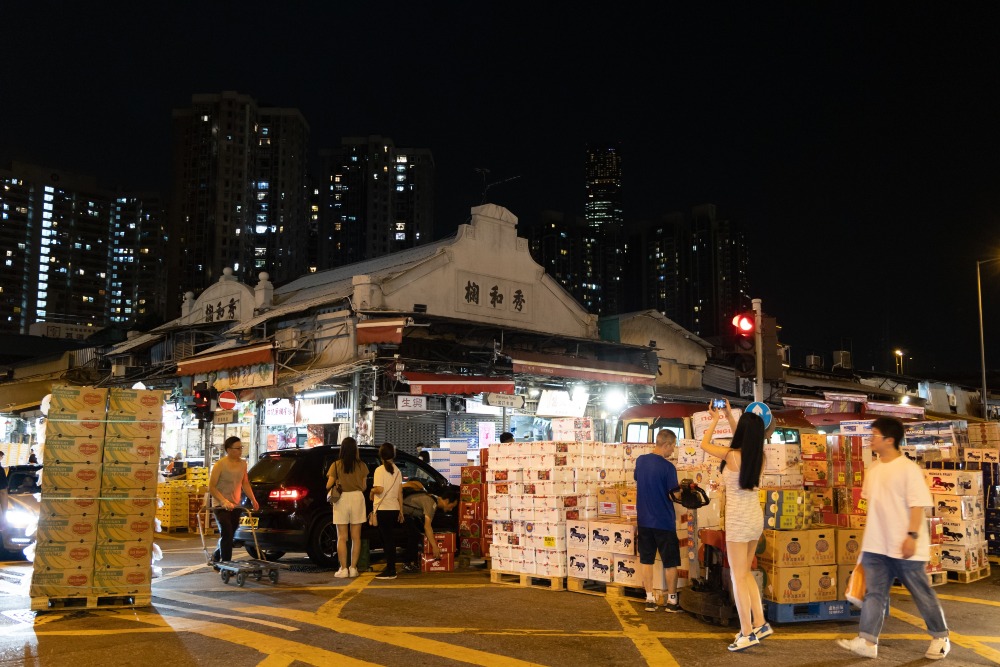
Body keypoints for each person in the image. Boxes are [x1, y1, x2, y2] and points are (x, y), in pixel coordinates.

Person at [836, 416, 950, 660]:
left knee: (921, 593)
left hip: (905, 545)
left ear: (889, 440)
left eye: (874, 435)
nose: (870, 439)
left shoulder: (909, 469)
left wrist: (911, 536)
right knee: (875, 593)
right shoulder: (874, 469)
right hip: (876, 545)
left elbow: (918, 506)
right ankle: (867, 640)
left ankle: (941, 637)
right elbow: (874, 507)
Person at [700, 399, 770, 652]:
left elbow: (704, 444)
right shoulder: (759, 457)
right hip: (755, 518)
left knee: (737, 576)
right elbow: (744, 439)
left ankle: (747, 632)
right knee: (746, 573)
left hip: (739, 521)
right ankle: (760, 622)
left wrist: (716, 419)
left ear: (741, 432)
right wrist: (732, 418)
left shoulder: (731, 456)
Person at [634, 429, 682, 613]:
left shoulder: (641, 461)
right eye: (673, 446)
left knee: (647, 560)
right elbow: (674, 495)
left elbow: (639, 479)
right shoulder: (668, 468)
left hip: (644, 520)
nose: (673, 451)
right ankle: (671, 601)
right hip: (663, 521)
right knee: (670, 562)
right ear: (666, 444)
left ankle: (649, 599)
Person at [208, 436, 259, 563]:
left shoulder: (242, 464)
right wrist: (223, 501)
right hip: (220, 505)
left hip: (235, 504)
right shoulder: (220, 464)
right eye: (237, 448)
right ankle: (226, 563)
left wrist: (253, 499)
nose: (240, 451)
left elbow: (245, 483)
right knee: (227, 532)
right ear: (228, 449)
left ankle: (217, 554)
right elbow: (212, 487)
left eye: (241, 448)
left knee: (231, 534)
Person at [327, 436, 369, 578]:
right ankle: (353, 568)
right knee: (356, 537)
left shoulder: (336, 465)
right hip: (357, 498)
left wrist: (338, 481)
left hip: (342, 499)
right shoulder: (362, 465)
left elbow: (328, 485)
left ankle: (343, 569)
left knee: (342, 537)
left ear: (342, 449)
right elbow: (364, 487)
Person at [400, 488, 459, 573]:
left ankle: (416, 561)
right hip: (402, 514)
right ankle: (407, 563)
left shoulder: (433, 500)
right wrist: (435, 547)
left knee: (419, 534)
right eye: (452, 506)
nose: (451, 509)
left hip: (409, 515)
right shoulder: (431, 503)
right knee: (414, 535)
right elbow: (427, 527)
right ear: (446, 501)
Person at [370, 442, 404, 580]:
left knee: (387, 540)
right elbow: (400, 493)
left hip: (383, 509)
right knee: (390, 540)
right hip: (394, 508)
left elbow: (380, 489)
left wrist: (372, 490)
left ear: (381, 455)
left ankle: (391, 570)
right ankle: (390, 567)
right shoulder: (398, 471)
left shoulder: (379, 470)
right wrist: (401, 511)